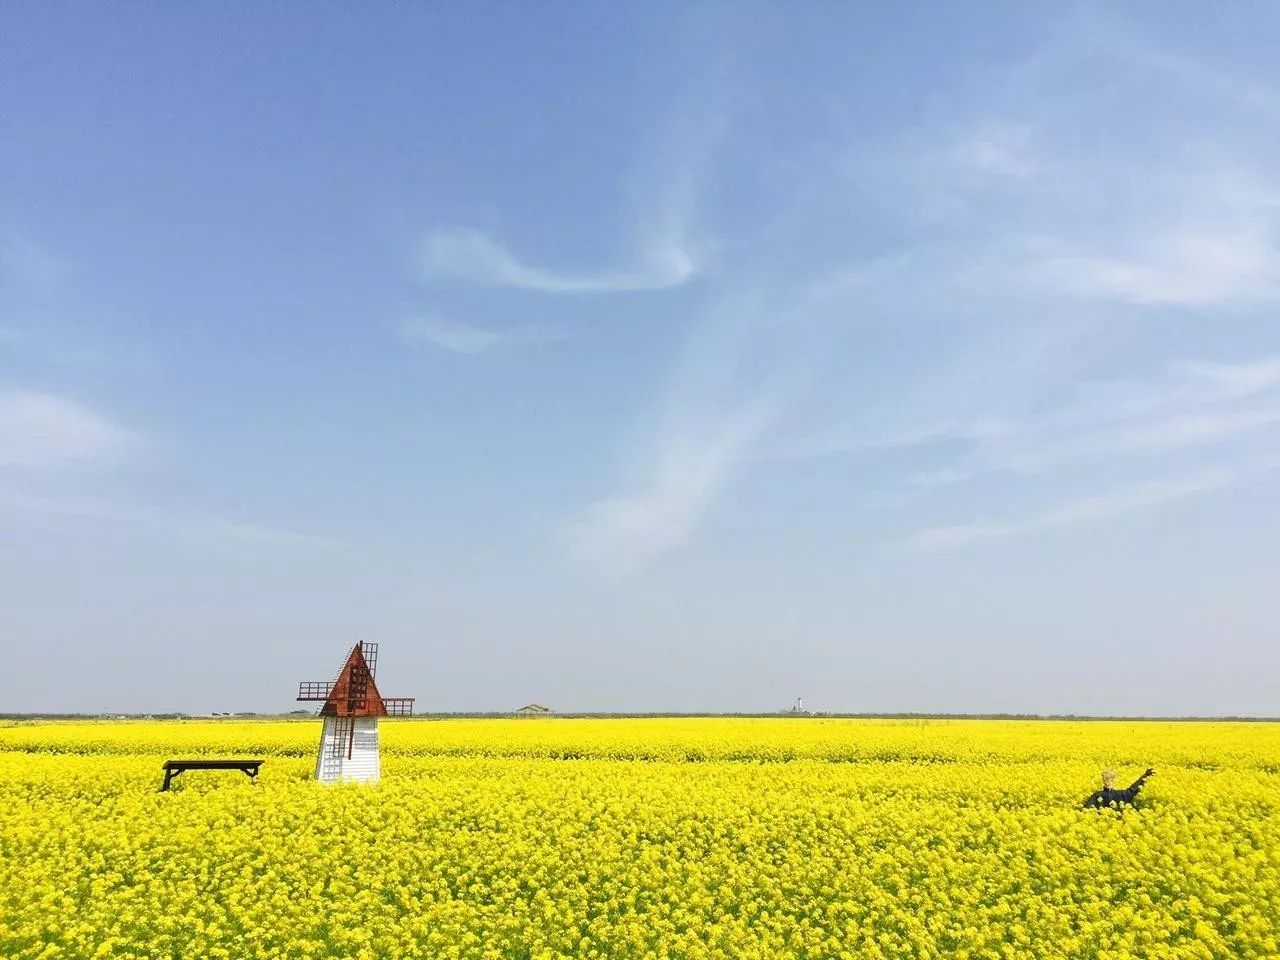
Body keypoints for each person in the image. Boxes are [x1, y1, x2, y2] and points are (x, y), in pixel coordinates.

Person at [1083, 767, 1155, 809]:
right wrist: (1144, 776)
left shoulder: (1096, 795)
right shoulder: (1120, 794)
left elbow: (1087, 809)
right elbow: (1132, 790)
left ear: (1103, 780)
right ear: (1113, 780)